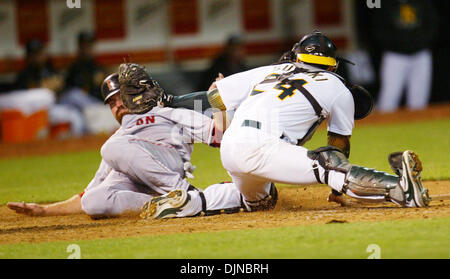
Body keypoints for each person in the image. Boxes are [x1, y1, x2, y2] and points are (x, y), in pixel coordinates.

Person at [147, 31, 430, 217]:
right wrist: (337, 184)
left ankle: (190, 203)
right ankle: (401, 189)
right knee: (327, 163)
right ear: (333, 65)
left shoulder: (274, 69)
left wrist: (169, 100)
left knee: (260, 202)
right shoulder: (338, 87)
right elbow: (338, 146)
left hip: (232, 146)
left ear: (297, 56)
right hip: (263, 147)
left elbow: (213, 98)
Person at [7, 72, 244, 218]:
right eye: (111, 103)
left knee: (112, 147)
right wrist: (44, 210)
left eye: (121, 97)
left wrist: (219, 105)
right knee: (93, 202)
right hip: (140, 184)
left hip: (169, 167)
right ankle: (168, 204)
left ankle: (189, 196)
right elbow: (87, 193)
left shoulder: (168, 113)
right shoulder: (119, 139)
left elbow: (218, 136)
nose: (117, 105)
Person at [372, 0, 438, 112]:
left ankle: (418, 127)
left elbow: (433, 23)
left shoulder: (423, 3)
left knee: (419, 101)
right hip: (394, 56)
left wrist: (421, 41)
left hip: (420, 54)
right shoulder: (385, 3)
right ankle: (385, 126)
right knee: (389, 98)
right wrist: (395, 43)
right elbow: (378, 27)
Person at [59, 31, 105, 112]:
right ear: (80, 47)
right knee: (74, 94)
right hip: (77, 106)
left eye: (90, 46)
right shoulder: (74, 67)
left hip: (96, 104)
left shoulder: (97, 66)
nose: (87, 49)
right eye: (85, 46)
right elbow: (70, 91)